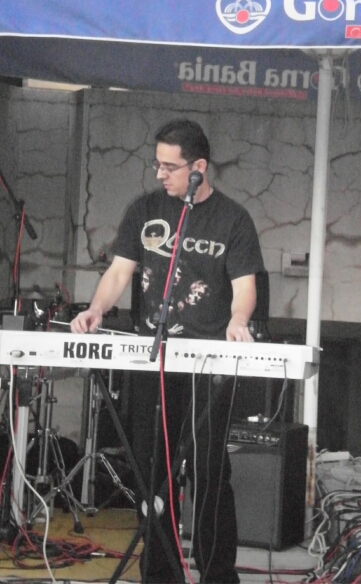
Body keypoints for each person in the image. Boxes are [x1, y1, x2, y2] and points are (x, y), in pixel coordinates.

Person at [71, 119, 265, 583]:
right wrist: (97, 308)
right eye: (156, 164)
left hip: (208, 366)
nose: (160, 174)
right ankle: (160, 573)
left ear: (199, 168)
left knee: (208, 471)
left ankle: (217, 575)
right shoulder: (144, 210)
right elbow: (119, 272)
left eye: (170, 167)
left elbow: (245, 286)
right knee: (151, 472)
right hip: (153, 361)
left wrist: (238, 320)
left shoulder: (233, 219)